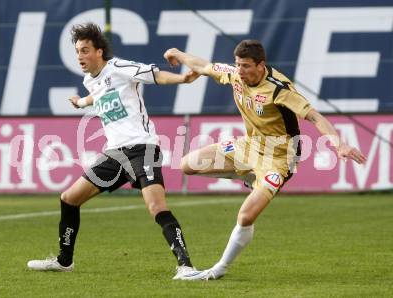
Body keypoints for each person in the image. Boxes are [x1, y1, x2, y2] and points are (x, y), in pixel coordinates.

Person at [163, 40, 367, 280]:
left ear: (261, 65)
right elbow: (204, 66)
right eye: (238, 64)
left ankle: (218, 269)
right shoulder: (234, 75)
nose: (240, 70)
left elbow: (314, 116)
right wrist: (177, 52)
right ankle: (250, 177)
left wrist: (338, 144)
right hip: (249, 147)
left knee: (246, 216)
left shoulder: (280, 89)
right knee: (188, 164)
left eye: (246, 66)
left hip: (279, 158)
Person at [27, 22, 201, 280]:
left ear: (99, 51)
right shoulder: (90, 80)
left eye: (85, 50)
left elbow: (154, 74)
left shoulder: (119, 67)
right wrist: (80, 102)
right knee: (69, 198)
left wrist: (183, 79)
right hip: (115, 155)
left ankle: (186, 267)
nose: (80, 57)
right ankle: (64, 261)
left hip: (142, 148)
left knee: (156, 207)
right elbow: (96, 96)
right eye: (77, 51)